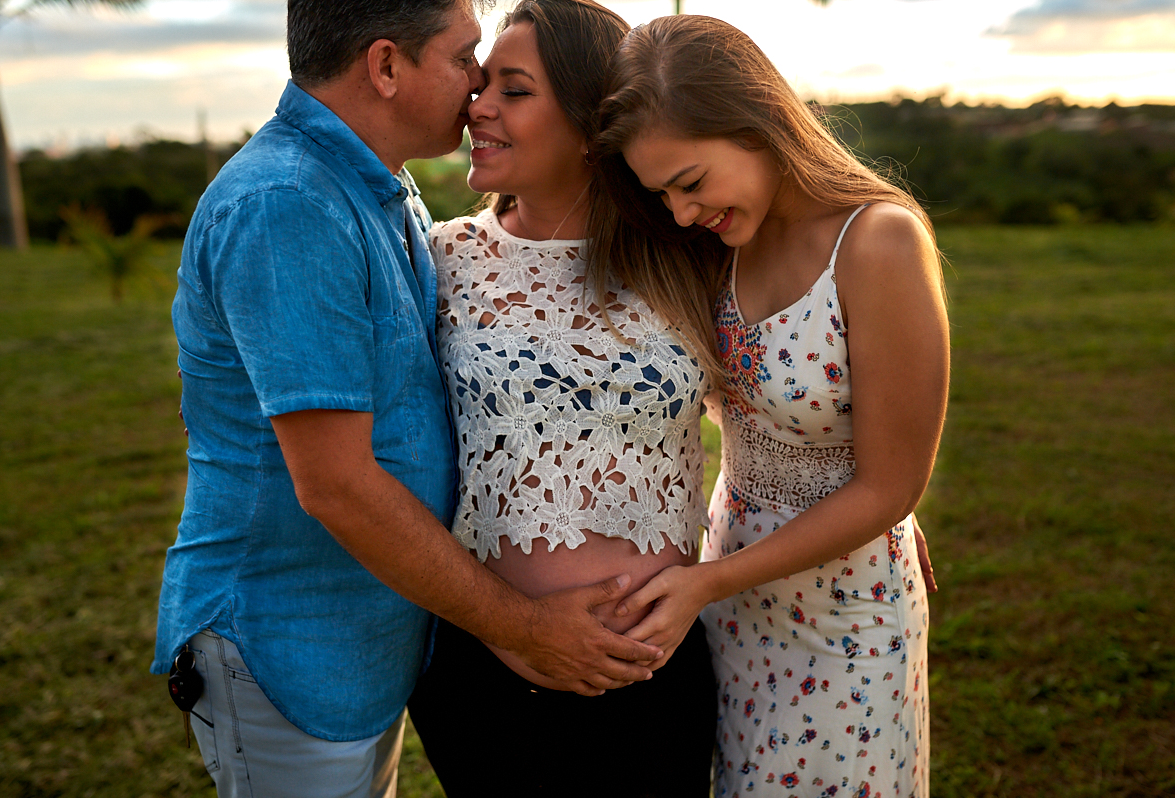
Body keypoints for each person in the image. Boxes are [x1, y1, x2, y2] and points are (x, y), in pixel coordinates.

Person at [151, 1, 665, 795]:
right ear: (386, 66)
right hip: (290, 636)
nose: (475, 90)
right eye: (465, 61)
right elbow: (336, 484)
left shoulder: (375, 191)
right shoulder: (288, 204)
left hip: (369, 628)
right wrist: (527, 628)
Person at [591, 15, 949, 798]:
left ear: (756, 123)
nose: (681, 213)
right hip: (733, 596)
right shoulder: (717, 247)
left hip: (845, 616)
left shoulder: (877, 242)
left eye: (690, 182)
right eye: (662, 194)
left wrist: (708, 583)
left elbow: (891, 487)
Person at [406, 2, 718, 796]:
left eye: (513, 91)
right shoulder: (441, 260)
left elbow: (788, 401)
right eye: (482, 86)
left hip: (659, 675)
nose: (477, 106)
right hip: (488, 677)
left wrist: (875, 515)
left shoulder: (688, 253)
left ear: (591, 125)